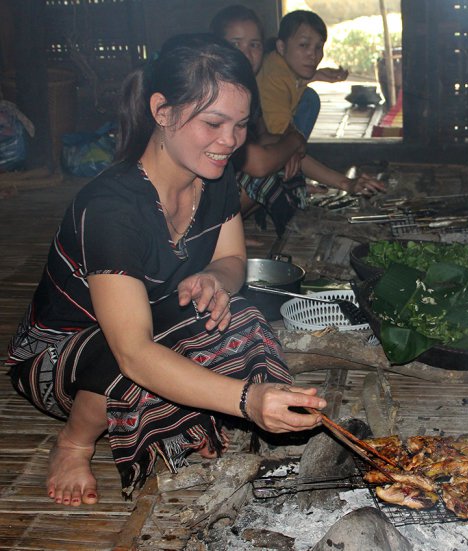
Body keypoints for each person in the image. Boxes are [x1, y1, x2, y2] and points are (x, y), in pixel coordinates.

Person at [5, 34, 326, 507]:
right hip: (63, 358)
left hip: (156, 325)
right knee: (143, 353)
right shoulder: (112, 207)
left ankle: (178, 414)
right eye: (213, 122)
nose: (229, 141)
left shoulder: (213, 175)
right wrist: (247, 401)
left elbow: (234, 261)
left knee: (240, 314)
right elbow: (133, 352)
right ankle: (74, 443)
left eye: (240, 125)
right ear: (162, 110)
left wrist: (216, 279)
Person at [211, 6, 385, 236]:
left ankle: (227, 232)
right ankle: (218, 234)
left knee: (282, 154)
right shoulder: (214, 93)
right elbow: (261, 163)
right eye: (236, 44)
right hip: (194, 207)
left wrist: (346, 184)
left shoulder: (247, 91)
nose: (246, 53)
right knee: (271, 166)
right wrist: (294, 142)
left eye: (254, 45)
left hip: (220, 193)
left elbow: (272, 141)